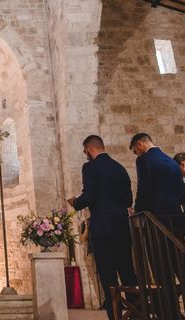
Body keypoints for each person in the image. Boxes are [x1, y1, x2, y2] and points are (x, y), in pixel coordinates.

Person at [67, 135, 136, 320]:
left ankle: (115, 316)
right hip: (122, 226)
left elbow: (88, 196)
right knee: (128, 273)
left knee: (108, 276)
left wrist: (76, 202)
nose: (85, 154)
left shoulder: (90, 167)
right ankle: (136, 314)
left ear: (90, 149)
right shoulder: (120, 168)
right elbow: (128, 200)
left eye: (85, 151)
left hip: (103, 228)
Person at [131, 133, 184, 237]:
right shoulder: (172, 162)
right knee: (176, 251)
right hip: (176, 217)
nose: (137, 155)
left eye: (135, 151)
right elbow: (181, 191)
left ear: (140, 144)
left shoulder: (143, 159)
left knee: (158, 251)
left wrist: (138, 212)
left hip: (156, 219)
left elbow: (143, 189)